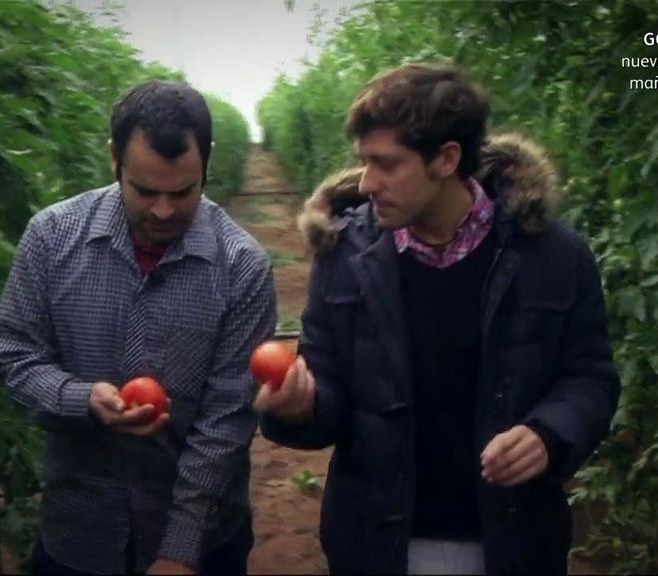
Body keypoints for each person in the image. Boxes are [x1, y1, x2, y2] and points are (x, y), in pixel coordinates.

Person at [254, 62, 621, 575]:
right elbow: (331, 396)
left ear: (446, 158)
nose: (366, 182)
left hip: (513, 543)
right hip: (377, 545)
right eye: (364, 162)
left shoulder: (554, 257)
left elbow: (591, 376)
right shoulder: (344, 258)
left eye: (387, 164)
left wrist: (549, 434)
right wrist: (297, 407)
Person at [0, 80, 277, 576]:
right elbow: (14, 355)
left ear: (206, 160)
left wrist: (179, 547)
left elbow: (226, 419)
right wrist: (80, 398)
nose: (163, 210)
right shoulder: (52, 238)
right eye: (144, 191)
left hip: (207, 544)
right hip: (79, 532)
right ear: (113, 160)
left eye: (183, 191)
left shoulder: (242, 267)